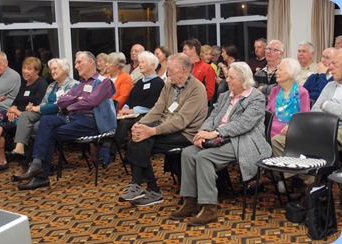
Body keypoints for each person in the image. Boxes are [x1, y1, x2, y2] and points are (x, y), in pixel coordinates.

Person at [169, 62, 271, 226]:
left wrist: (215, 133)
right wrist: (203, 133)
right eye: (227, 77)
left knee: (204, 157)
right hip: (219, 138)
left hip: (244, 140)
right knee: (188, 153)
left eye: (231, 77)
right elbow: (212, 117)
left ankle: (209, 208)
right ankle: (190, 201)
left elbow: (244, 124)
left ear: (243, 79)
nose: (227, 80)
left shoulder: (256, 98)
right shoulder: (226, 95)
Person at [16, 51, 117, 190]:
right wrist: (75, 99)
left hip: (92, 122)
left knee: (48, 132)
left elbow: (91, 102)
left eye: (79, 62)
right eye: (76, 63)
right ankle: (37, 164)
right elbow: (61, 101)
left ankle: (40, 173)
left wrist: (72, 104)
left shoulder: (104, 82)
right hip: (73, 118)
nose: (76, 66)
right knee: (46, 121)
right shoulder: (80, 84)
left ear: (90, 63)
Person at [118, 53, 208, 207]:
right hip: (165, 127)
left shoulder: (197, 89)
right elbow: (157, 108)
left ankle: (147, 188)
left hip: (186, 134)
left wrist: (152, 131)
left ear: (184, 69)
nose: (168, 74)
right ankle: (142, 187)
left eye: (171, 70)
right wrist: (140, 124)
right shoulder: (170, 84)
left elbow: (180, 121)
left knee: (142, 140)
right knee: (137, 137)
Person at [6, 58, 77, 176]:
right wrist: (32, 108)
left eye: (55, 69)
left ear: (64, 70)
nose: (52, 72)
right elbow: (44, 102)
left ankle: (30, 165)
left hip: (61, 117)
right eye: (51, 69)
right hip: (45, 115)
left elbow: (59, 106)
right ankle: (19, 149)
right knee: (26, 116)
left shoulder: (72, 84)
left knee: (32, 128)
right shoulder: (51, 86)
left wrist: (38, 108)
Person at [0, 57, 48, 172]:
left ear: (37, 71)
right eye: (24, 68)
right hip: (15, 115)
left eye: (29, 69)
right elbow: (15, 102)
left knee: (0, 123)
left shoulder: (41, 84)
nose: (25, 71)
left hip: (29, 117)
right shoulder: (23, 83)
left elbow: (37, 106)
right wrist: (12, 109)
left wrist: (18, 112)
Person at [273, 49, 342, 155]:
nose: (330, 67)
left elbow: (329, 108)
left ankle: (307, 168)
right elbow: (315, 110)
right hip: (320, 128)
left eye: (335, 64)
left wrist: (326, 104)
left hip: (337, 131)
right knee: (277, 140)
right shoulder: (330, 85)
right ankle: (298, 171)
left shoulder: (302, 91)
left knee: (309, 140)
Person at [105, 51, 165, 165]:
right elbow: (130, 98)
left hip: (148, 115)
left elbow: (154, 104)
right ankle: (119, 152)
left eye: (143, 62)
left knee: (124, 124)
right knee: (117, 120)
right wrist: (124, 109)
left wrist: (132, 110)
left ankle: (110, 152)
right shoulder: (139, 82)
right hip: (132, 114)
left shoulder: (158, 82)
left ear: (153, 65)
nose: (140, 65)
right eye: (140, 62)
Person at [267, 58, 310, 139]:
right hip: (269, 126)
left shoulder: (302, 92)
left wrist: (292, 126)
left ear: (290, 73)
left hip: (288, 129)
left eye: (280, 70)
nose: (276, 72)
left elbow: (305, 119)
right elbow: (267, 113)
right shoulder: (274, 90)